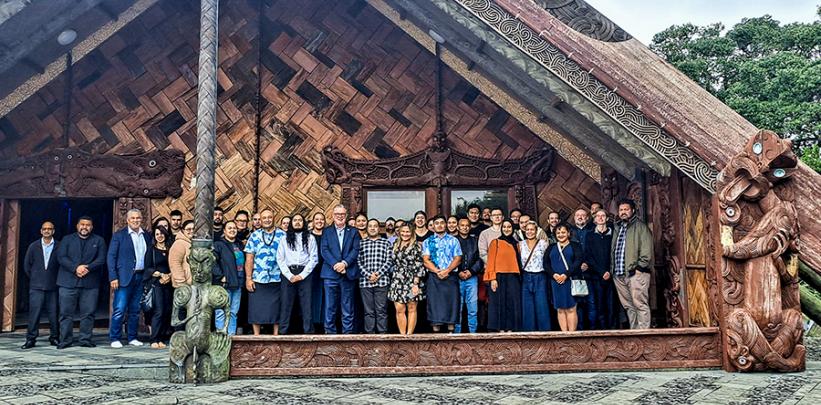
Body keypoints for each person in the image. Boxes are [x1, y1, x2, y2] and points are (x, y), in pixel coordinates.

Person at [56, 216, 106, 349]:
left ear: (92, 227)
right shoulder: (67, 239)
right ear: (77, 226)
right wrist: (75, 268)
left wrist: (87, 268)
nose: (85, 227)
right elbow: (61, 257)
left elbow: (101, 259)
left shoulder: (99, 240)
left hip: (90, 283)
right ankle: (65, 340)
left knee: (88, 313)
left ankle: (85, 339)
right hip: (67, 282)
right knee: (65, 313)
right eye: (82, 224)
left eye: (88, 225)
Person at [107, 208, 151, 348]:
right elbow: (111, 257)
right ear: (127, 220)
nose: (136, 220)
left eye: (138, 218)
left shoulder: (147, 236)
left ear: (141, 219)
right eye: (133, 218)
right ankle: (115, 337)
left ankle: (132, 337)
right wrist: (113, 277)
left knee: (135, 309)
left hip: (140, 276)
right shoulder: (119, 235)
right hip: (124, 277)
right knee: (119, 309)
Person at [611, 199, 653, 329]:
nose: (623, 212)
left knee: (640, 304)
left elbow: (647, 250)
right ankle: (634, 333)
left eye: (626, 209)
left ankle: (644, 333)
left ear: (633, 210)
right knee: (628, 306)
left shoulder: (640, 227)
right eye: (621, 210)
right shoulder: (618, 227)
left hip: (635, 273)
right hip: (619, 274)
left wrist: (639, 268)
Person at [320, 204, 361, 334]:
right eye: (337, 214)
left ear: (346, 215)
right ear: (333, 215)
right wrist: (336, 265)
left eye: (342, 214)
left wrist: (345, 263)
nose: (340, 217)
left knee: (347, 307)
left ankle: (347, 333)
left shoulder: (353, 231)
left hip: (348, 274)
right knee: (330, 306)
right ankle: (329, 332)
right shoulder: (326, 231)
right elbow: (324, 250)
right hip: (330, 274)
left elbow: (355, 250)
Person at [244, 209, 286, 335]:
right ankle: (256, 335)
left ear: (274, 218)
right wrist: (248, 278)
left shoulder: (282, 235)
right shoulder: (254, 236)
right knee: (256, 308)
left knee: (276, 308)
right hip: (258, 277)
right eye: (264, 218)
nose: (267, 220)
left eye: (269, 217)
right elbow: (249, 258)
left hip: (277, 277)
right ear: (260, 220)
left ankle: (276, 335)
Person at [276, 214, 318, 334]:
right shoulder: (284, 239)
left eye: (300, 220)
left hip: (305, 273)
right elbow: (280, 258)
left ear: (303, 223)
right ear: (291, 223)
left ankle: (308, 332)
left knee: (306, 303)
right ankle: (283, 332)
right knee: (286, 303)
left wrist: (302, 275)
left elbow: (314, 258)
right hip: (288, 273)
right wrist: (289, 275)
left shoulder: (310, 238)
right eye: (295, 220)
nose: (298, 222)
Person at [21, 221, 60, 349]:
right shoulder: (33, 246)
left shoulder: (59, 246)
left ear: (53, 231)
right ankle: (31, 339)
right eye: (44, 229)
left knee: (53, 314)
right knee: (34, 314)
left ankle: (54, 337)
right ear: (41, 231)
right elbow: (27, 266)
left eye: (50, 229)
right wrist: (35, 278)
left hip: (53, 286)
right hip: (36, 287)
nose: (47, 231)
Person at [422, 215, 463, 332]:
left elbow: (458, 258)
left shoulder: (453, 240)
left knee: (451, 305)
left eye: (442, 223)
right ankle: (436, 334)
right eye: (437, 223)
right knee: (435, 306)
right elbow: (426, 260)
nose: (439, 225)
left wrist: (447, 270)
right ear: (433, 226)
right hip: (434, 277)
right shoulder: (428, 241)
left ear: (446, 225)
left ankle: (451, 332)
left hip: (450, 277)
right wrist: (437, 271)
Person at [483, 220, 521, 332]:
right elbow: (491, 261)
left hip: (513, 277)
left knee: (512, 303)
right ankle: (500, 329)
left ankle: (510, 328)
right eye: (504, 227)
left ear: (513, 228)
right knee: (498, 303)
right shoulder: (496, 242)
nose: (506, 229)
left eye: (509, 227)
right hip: (499, 277)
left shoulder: (517, 244)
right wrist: (492, 278)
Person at [388, 224, 426, 335]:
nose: (405, 234)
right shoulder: (395, 244)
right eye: (403, 231)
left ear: (412, 233)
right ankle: (402, 335)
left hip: (411, 280)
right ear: (399, 232)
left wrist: (416, 283)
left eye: (408, 232)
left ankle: (409, 335)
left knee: (412, 307)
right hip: (397, 280)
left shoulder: (416, 246)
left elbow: (419, 265)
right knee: (399, 308)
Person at [357, 219, 393, 333]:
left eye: (375, 226)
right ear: (367, 228)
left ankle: (382, 335)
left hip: (382, 281)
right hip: (365, 282)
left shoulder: (385, 243)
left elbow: (389, 260)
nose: (372, 228)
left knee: (381, 310)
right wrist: (368, 275)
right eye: (370, 226)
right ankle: (370, 336)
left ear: (379, 228)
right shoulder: (361, 243)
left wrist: (377, 274)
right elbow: (358, 261)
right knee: (369, 311)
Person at [544, 224, 582, 331]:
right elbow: (546, 264)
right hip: (556, 282)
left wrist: (566, 274)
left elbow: (578, 261)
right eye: (558, 233)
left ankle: (571, 335)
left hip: (570, 280)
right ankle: (564, 334)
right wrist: (553, 274)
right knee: (560, 309)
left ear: (568, 233)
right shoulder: (551, 247)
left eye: (563, 232)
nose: (561, 235)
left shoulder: (575, 246)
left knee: (571, 308)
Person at [584, 209, 617, 329]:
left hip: (611, 275)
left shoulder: (613, 234)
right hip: (596, 276)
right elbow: (588, 257)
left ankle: (613, 331)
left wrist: (609, 271)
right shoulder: (590, 235)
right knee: (600, 305)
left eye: (603, 216)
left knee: (612, 305)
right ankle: (603, 331)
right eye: (598, 216)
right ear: (594, 219)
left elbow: (615, 254)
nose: (601, 218)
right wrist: (601, 272)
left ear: (607, 218)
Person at [213, 221, 245, 336]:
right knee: (221, 311)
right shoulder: (218, 245)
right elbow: (212, 262)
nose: (232, 230)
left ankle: (231, 336)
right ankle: (221, 336)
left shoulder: (240, 244)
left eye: (234, 228)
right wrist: (220, 276)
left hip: (238, 282)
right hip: (224, 283)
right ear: (224, 231)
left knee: (233, 312)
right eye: (229, 228)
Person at [143, 225, 173, 348]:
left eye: (161, 234)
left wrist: (169, 275)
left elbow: (174, 264)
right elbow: (148, 268)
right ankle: (154, 339)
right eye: (157, 234)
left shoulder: (170, 249)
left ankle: (161, 338)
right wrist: (161, 275)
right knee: (158, 311)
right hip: (157, 283)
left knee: (167, 311)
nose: (159, 236)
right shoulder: (151, 250)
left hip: (169, 283)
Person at [519, 221, 551, 331]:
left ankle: (544, 332)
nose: (529, 232)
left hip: (540, 276)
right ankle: (529, 333)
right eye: (527, 229)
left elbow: (548, 260)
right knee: (527, 306)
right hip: (526, 276)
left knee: (542, 305)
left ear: (536, 231)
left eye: (532, 229)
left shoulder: (543, 243)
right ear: (524, 231)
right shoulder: (520, 244)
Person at [570, 208, 596, 330]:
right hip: (575, 274)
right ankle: (579, 331)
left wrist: (587, 264)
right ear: (574, 218)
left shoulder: (592, 231)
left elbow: (594, 251)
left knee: (592, 303)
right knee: (577, 304)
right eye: (578, 215)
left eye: (583, 215)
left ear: (587, 218)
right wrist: (577, 265)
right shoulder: (570, 232)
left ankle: (593, 331)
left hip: (591, 274)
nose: (580, 217)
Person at [454, 218, 481, 333]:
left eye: (467, 225)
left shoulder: (475, 240)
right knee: (457, 307)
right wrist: (458, 271)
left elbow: (480, 258)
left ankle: (473, 333)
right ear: (458, 227)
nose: (464, 227)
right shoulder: (453, 241)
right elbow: (450, 258)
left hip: (472, 277)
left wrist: (471, 271)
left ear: (470, 227)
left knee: (473, 308)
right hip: (456, 277)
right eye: (462, 225)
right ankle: (456, 334)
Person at [310, 212, 326, 332]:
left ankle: (324, 325)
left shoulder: (328, 235)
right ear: (313, 221)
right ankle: (313, 325)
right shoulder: (308, 236)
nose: (319, 221)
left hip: (326, 270)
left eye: (321, 219)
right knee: (313, 298)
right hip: (311, 272)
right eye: (317, 219)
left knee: (325, 299)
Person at [169, 220, 194, 288]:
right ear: (183, 230)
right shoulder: (179, 243)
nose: (191, 231)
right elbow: (174, 263)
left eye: (193, 229)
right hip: (184, 285)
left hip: (193, 284)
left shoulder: (193, 243)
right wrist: (181, 282)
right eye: (188, 229)